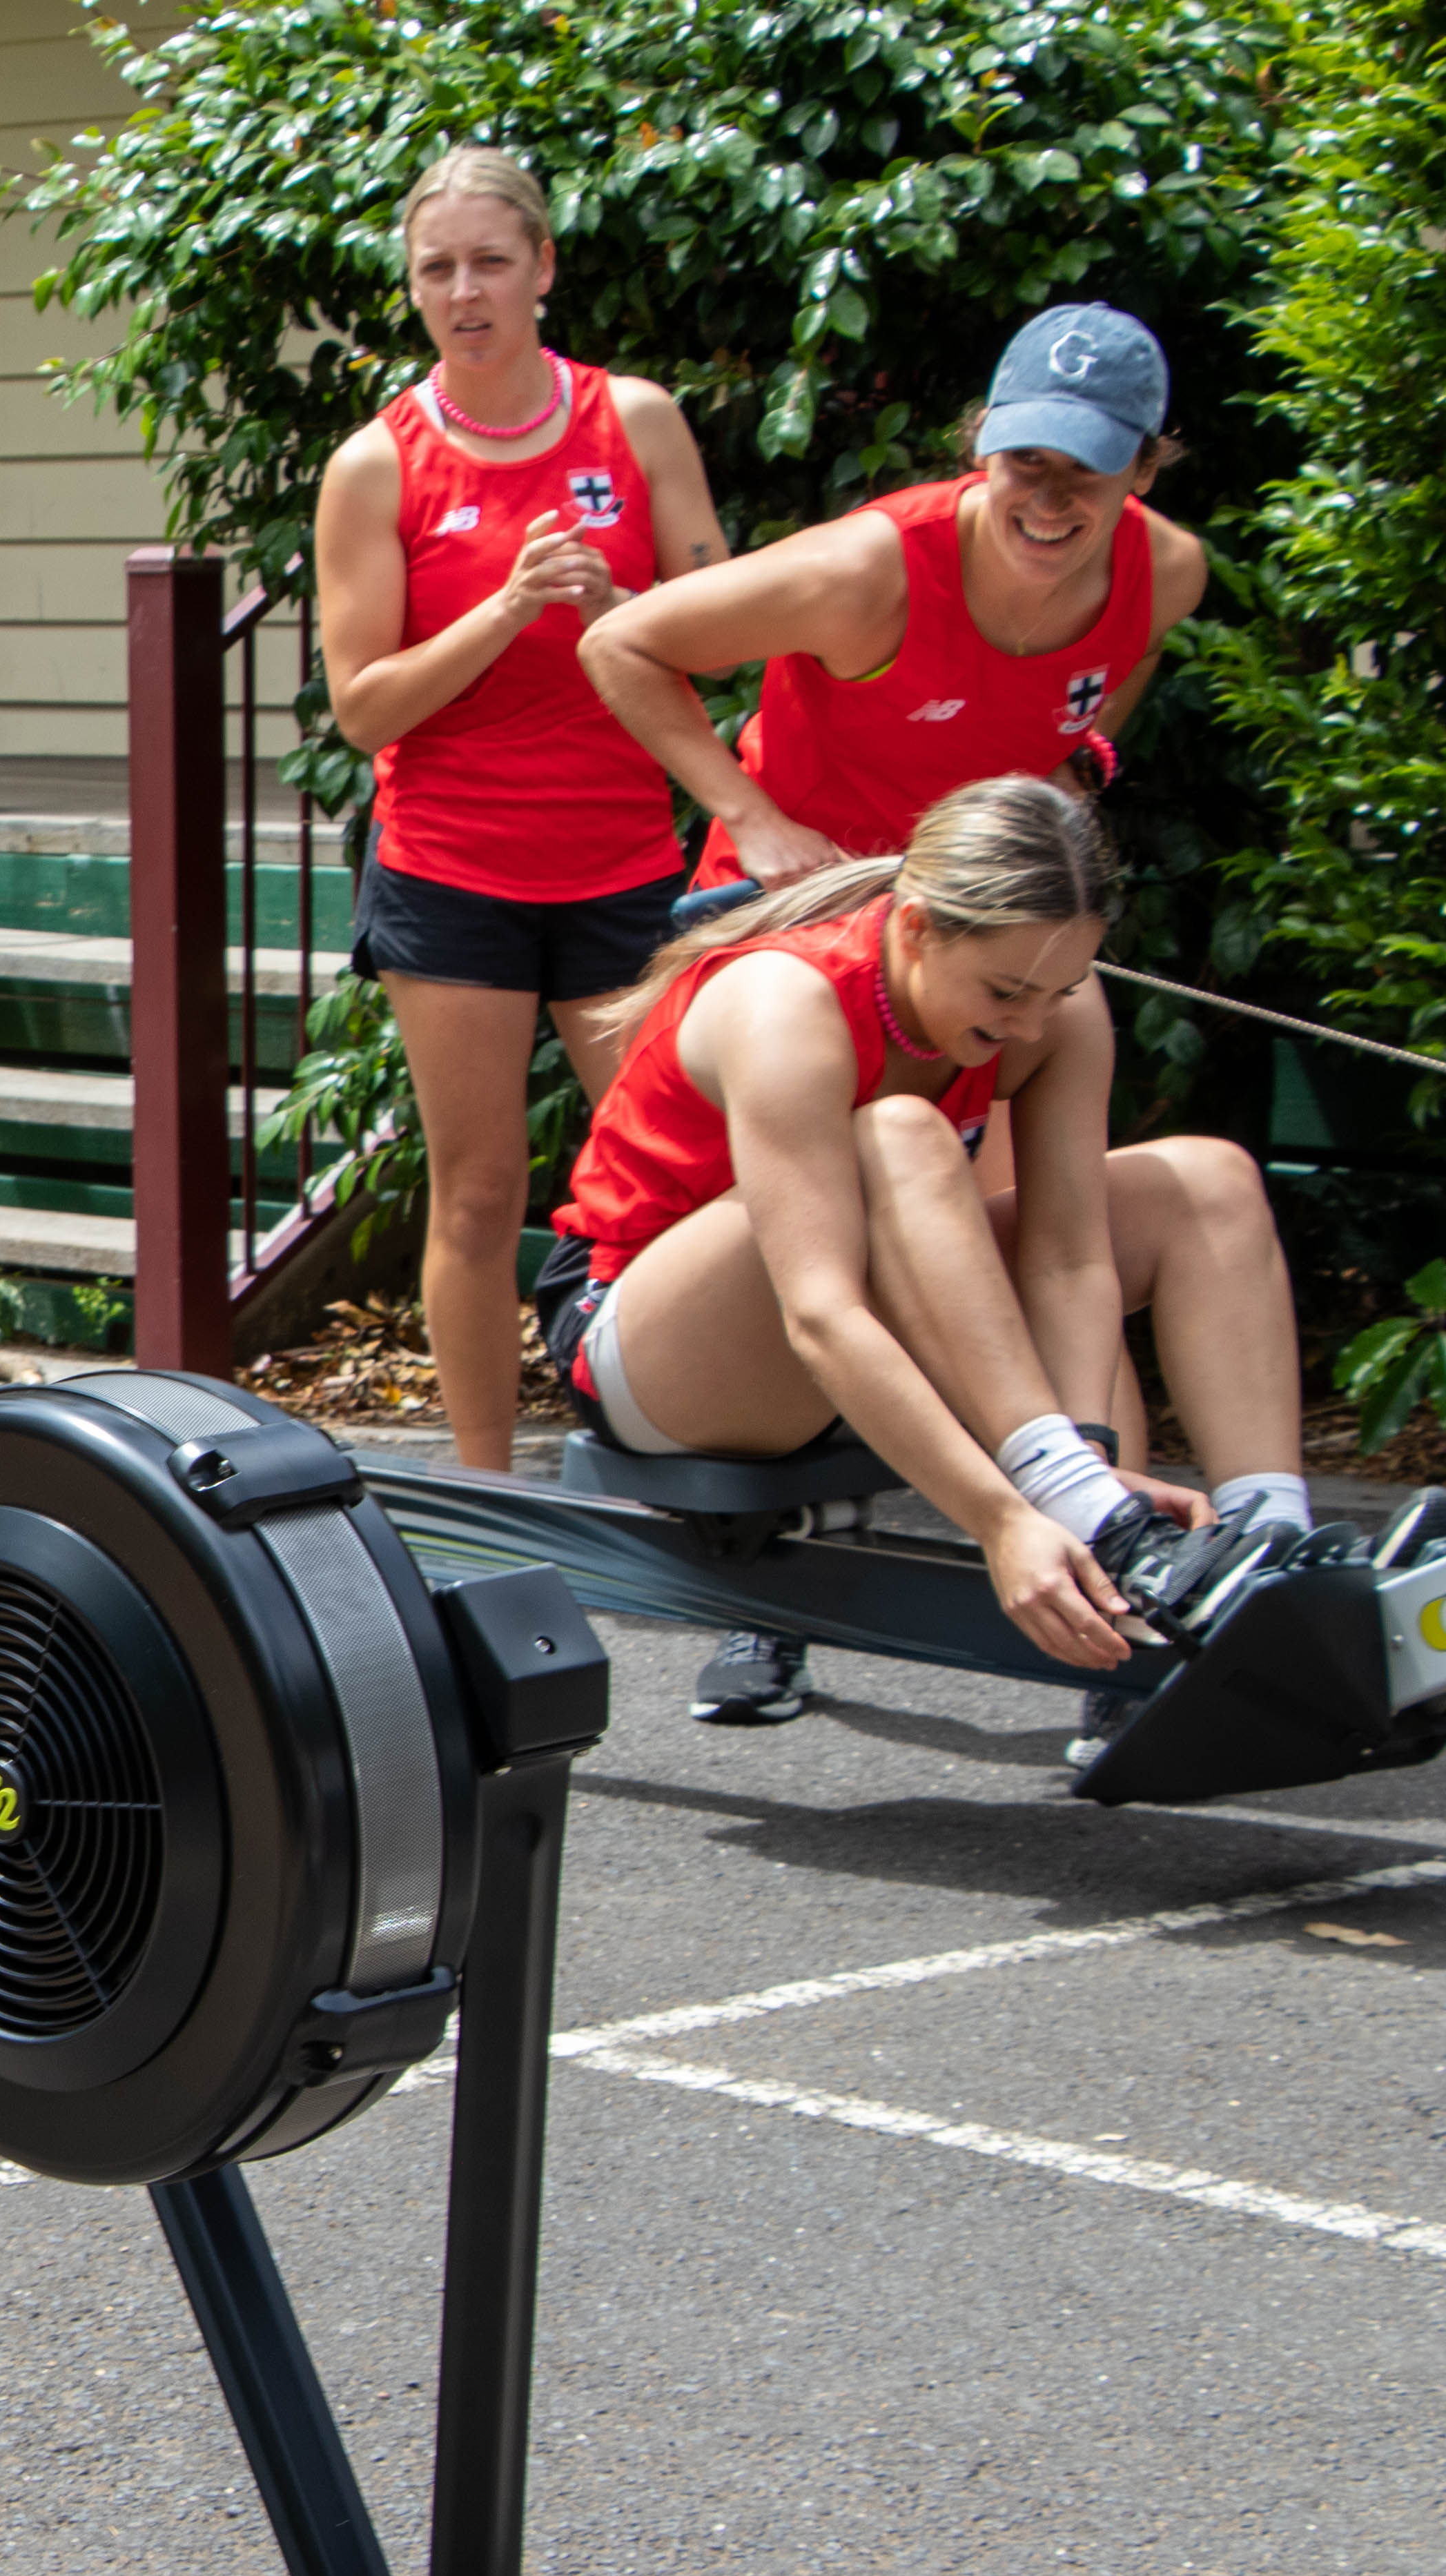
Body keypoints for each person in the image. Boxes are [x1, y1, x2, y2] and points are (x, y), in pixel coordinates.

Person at [576, 299, 1206, 1724]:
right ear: (981, 437)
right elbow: (621, 641)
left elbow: (1089, 719)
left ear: (1143, 473)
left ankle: (1118, 1558)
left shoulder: (1161, 575)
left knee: (1027, 1226)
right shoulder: (871, 569)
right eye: (1023, 462)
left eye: (1083, 474)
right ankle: (771, 1589)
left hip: (973, 942)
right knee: (844, 1223)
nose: (1047, 500)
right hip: (810, 933)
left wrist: (1056, 850)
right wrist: (748, 810)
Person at [536, 776, 1335, 1746]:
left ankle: (1269, 1542)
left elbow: (1070, 1256)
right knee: (900, 1137)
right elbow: (821, 1312)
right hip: (654, 1342)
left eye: (1061, 989)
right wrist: (1005, 1522)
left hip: (867, 1314)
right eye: (1006, 993)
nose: (1033, 1025)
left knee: (1206, 1182)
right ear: (914, 928)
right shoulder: (784, 1002)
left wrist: (1090, 1453)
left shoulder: (1052, 1014)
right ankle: (1095, 1520)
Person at [311, 147, 731, 1474]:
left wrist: (615, 607)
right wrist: (505, 608)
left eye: (491, 261)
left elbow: (720, 642)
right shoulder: (378, 464)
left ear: (543, 269)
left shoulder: (639, 422)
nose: (464, 290)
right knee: (482, 1190)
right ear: (413, 290)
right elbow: (365, 709)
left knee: (677, 1180)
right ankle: (487, 1487)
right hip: (456, 873)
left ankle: (693, 1459)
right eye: (437, 269)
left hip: (622, 866)